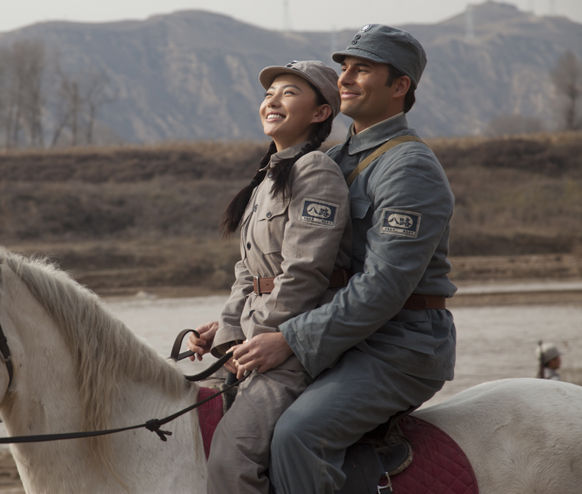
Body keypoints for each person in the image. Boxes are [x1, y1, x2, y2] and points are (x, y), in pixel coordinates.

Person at [195, 24, 457, 493]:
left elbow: (383, 287)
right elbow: (284, 263)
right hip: (342, 339)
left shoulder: (409, 167)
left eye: (364, 70)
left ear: (400, 87)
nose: (347, 77)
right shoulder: (333, 159)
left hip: (398, 346)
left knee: (299, 435)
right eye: (345, 68)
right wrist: (231, 322)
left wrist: (290, 339)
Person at [187, 60, 353, 494]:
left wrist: (259, 339)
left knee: (230, 458)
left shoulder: (315, 171)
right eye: (268, 94)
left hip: (290, 347)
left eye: (289, 93)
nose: (272, 101)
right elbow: (249, 273)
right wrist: (225, 335)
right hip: (256, 340)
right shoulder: (267, 179)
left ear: (320, 113)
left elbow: (305, 273)